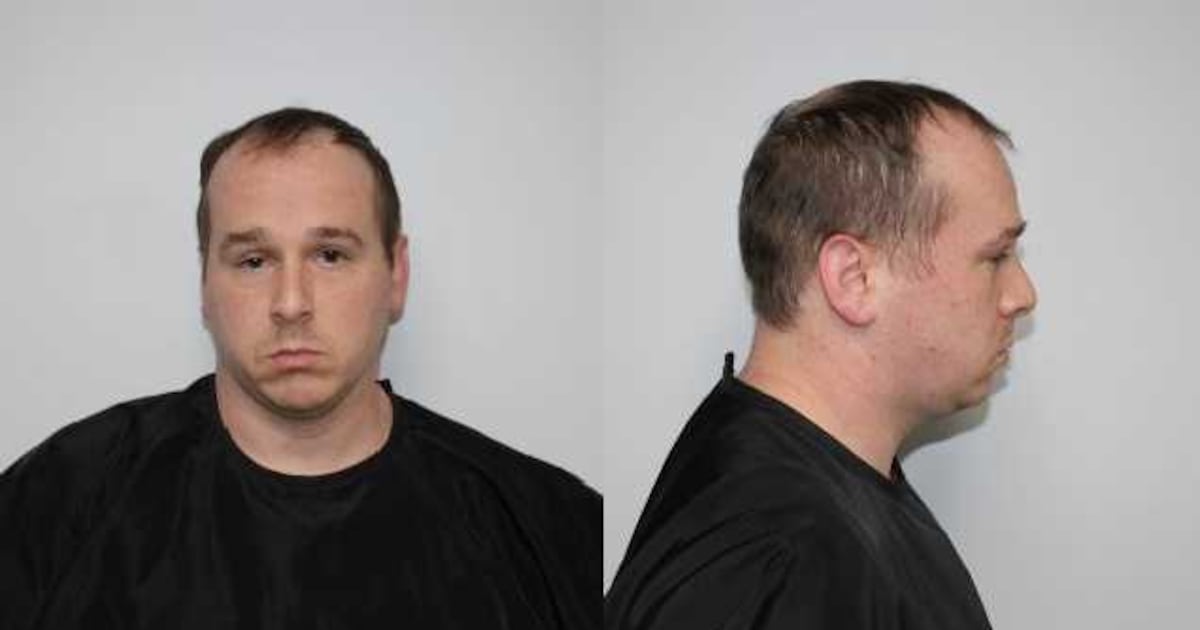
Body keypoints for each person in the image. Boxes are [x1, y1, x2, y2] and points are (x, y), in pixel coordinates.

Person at [0, 108, 600, 629]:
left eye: (330, 255)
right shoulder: (58, 502)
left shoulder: (550, 525)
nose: (291, 303)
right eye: (254, 260)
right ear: (205, 283)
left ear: (396, 276)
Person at [605, 81, 1036, 629]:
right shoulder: (776, 556)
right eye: (996, 256)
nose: (1022, 295)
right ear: (854, 278)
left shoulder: (817, 497)